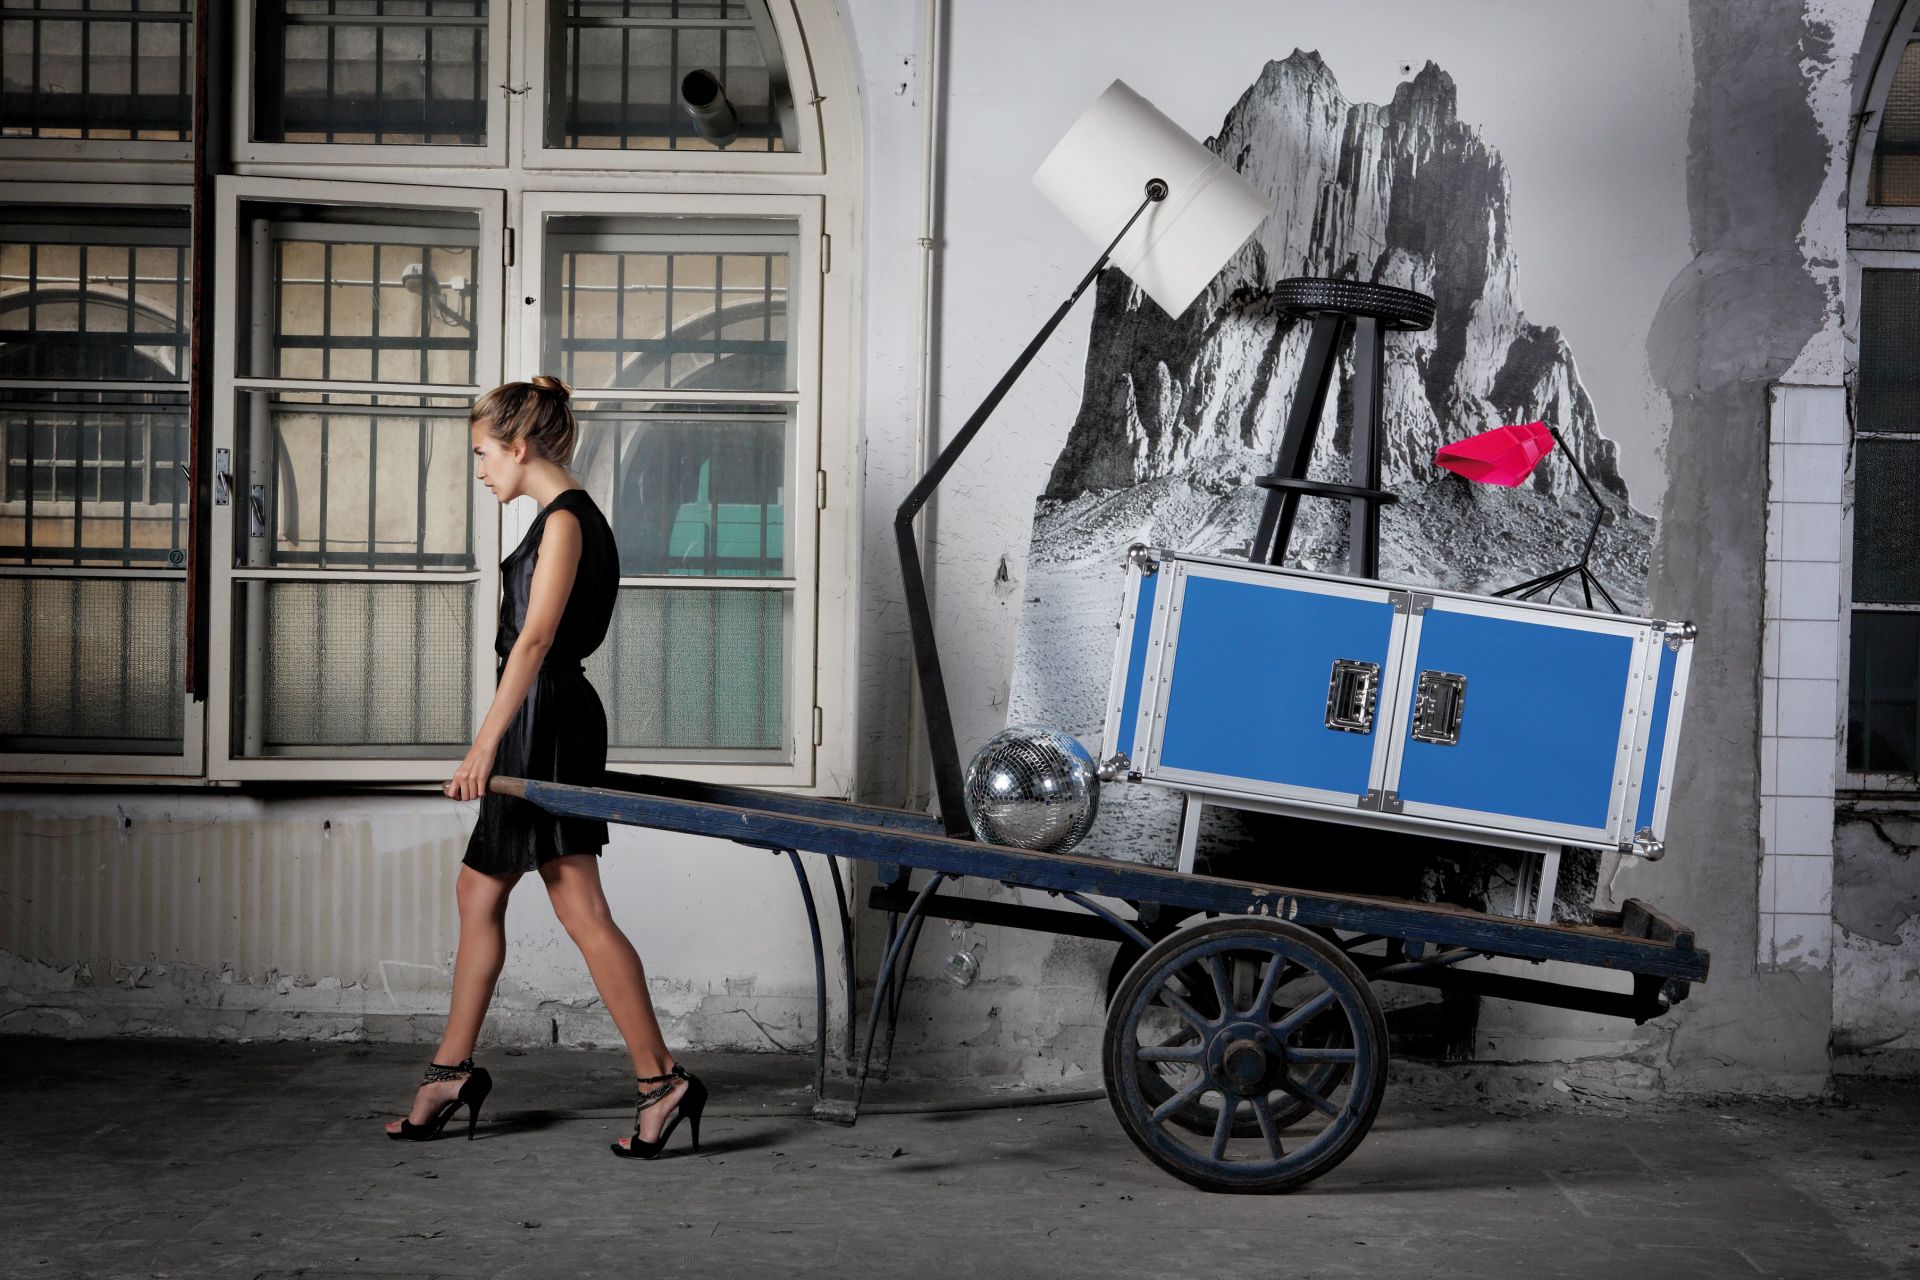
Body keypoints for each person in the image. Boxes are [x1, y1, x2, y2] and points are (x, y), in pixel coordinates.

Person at [383, 376, 705, 1159]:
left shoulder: (566, 522)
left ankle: (658, 1080)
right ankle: (452, 1072)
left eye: (483, 454)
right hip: (544, 711)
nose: (482, 469)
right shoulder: (565, 518)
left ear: (520, 447)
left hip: (545, 717)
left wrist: (484, 744)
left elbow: (532, 643)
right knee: (485, 889)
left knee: (575, 903)